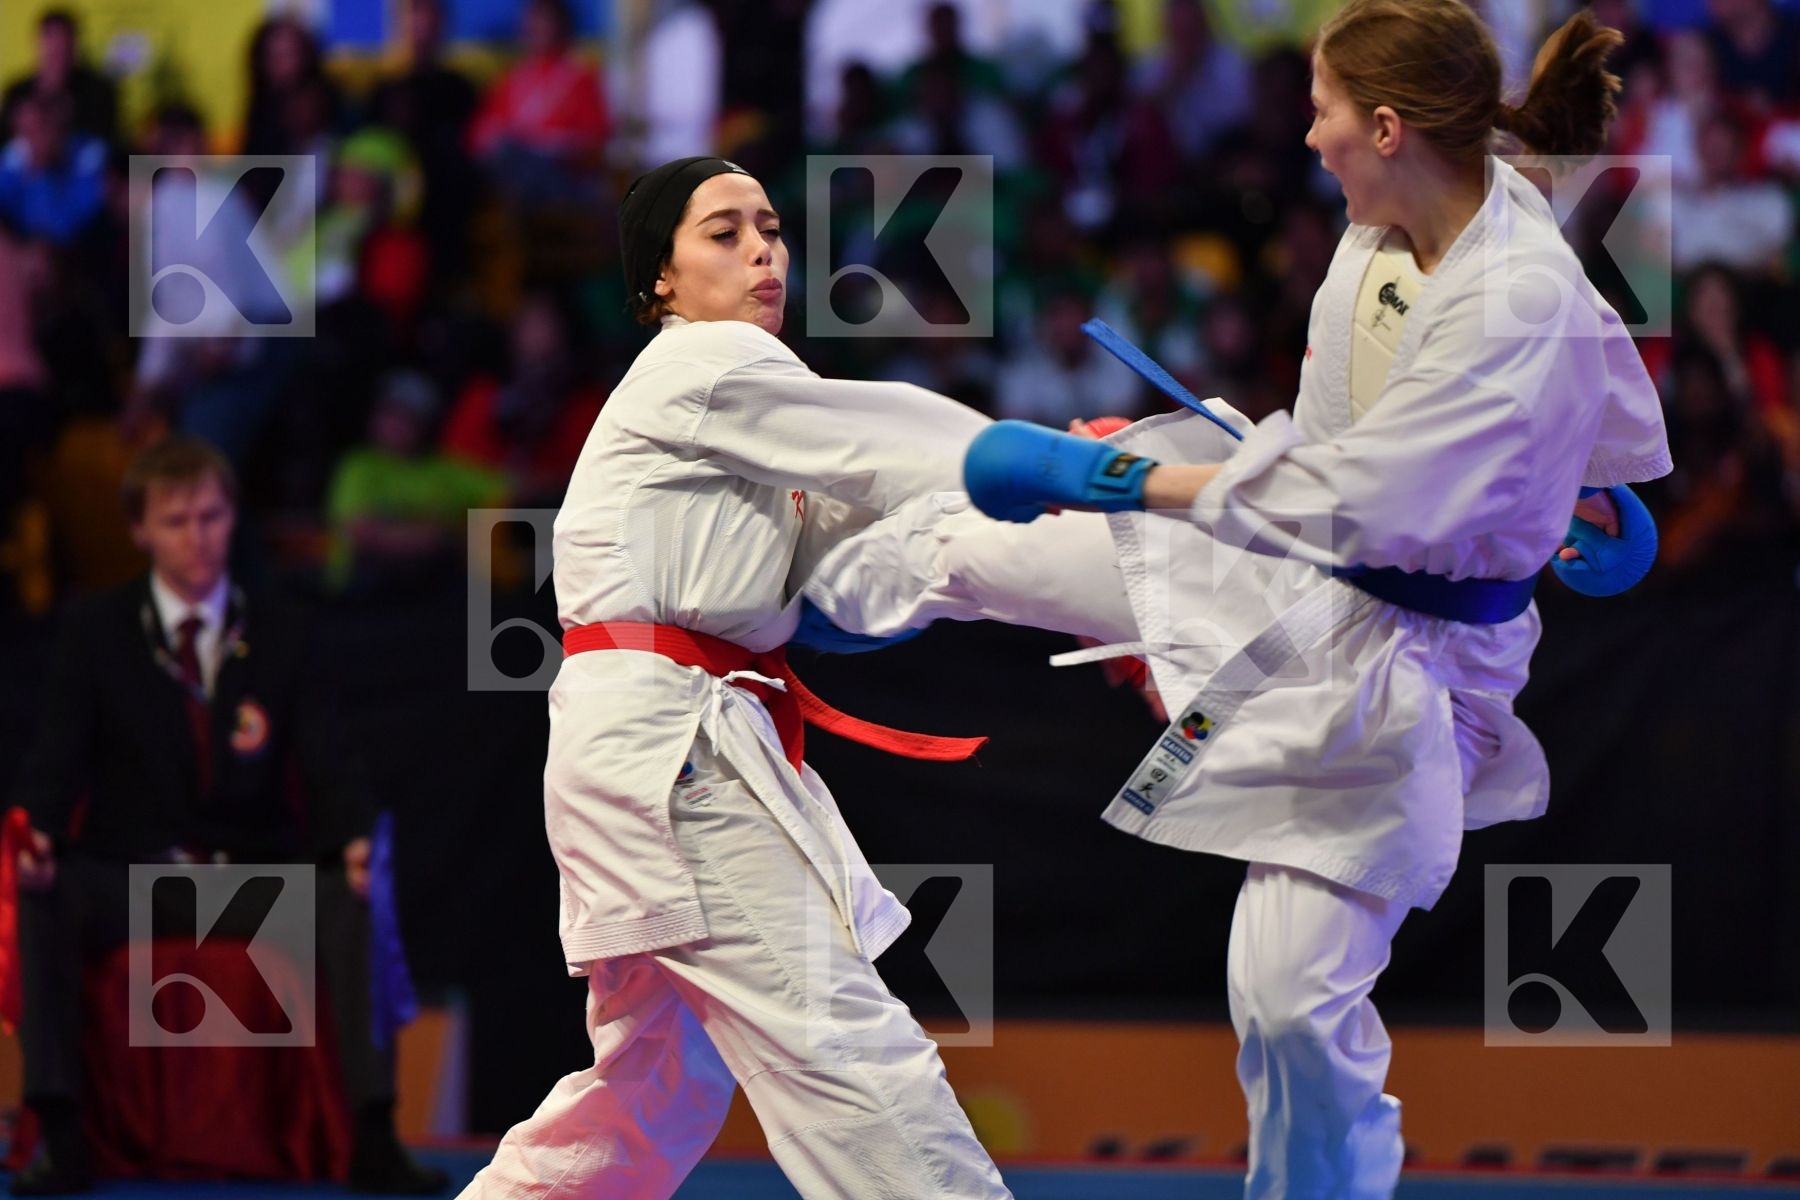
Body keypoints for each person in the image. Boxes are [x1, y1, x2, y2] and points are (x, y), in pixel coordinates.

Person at [802, 5, 1671, 1198]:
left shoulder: (1516, 294)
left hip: (1397, 664)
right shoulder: (1411, 216)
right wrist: (1591, 496)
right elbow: (1445, 431)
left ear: (1385, 125)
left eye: (1321, 112)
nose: (1306, 139)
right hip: (1282, 551)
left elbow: (1364, 490)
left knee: (1288, 1004)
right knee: (972, 548)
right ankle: (760, 596)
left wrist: (1113, 473)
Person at [457, 157, 1011, 1200]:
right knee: (846, 1045)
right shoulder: (703, 367)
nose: (764, 248)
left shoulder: (755, 422)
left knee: (651, 1090)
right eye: (724, 231)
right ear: (659, 277)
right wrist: (1044, 462)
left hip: (654, 746)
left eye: (771, 227)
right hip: (672, 751)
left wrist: (1050, 516)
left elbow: (883, 560)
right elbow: (895, 438)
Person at [7, 436, 447, 1195]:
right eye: (176, 521)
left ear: (232, 518)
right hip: (132, 879)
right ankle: (62, 1131)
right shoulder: (96, 629)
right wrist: (38, 831)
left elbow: (328, 758)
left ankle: (372, 1134)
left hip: (249, 883)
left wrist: (351, 839)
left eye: (210, 516)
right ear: (139, 529)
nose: (197, 536)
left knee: (349, 889)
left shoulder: (284, 629)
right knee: (47, 888)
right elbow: (59, 754)